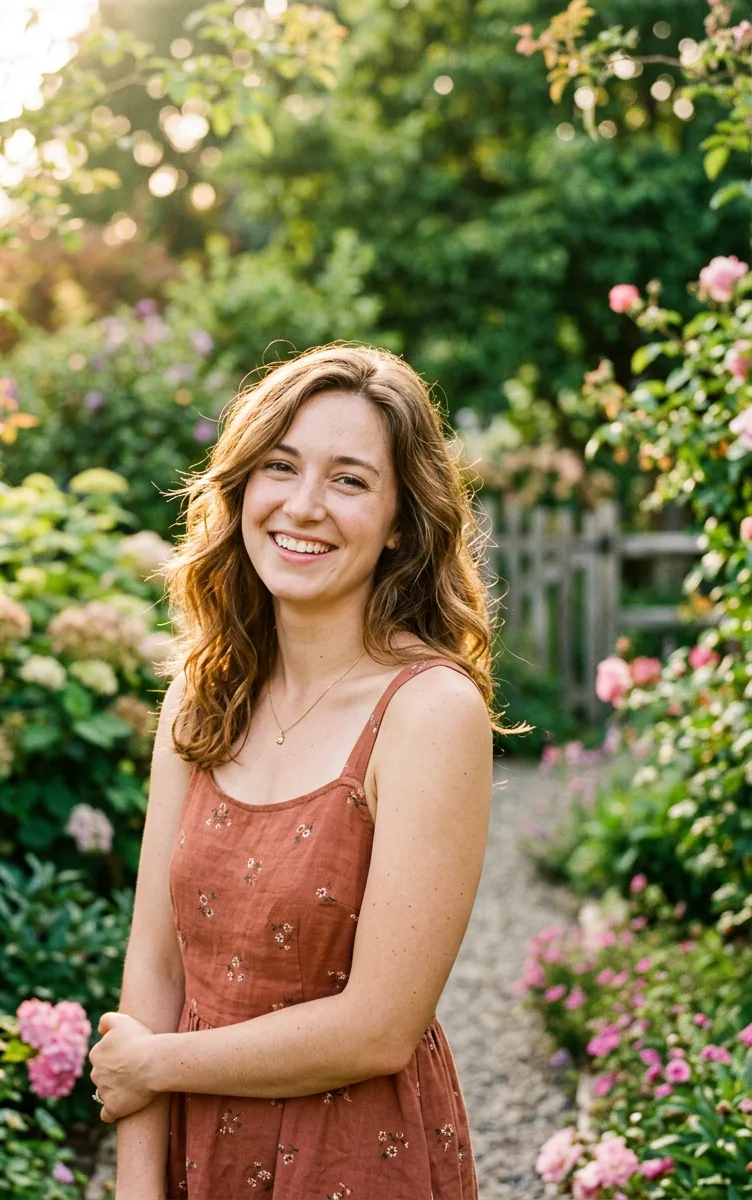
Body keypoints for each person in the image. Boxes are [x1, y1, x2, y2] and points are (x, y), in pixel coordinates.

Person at [90, 344, 498, 1200]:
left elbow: (379, 1027)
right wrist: (136, 1185)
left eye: (349, 480)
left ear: (400, 521)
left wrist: (155, 1064)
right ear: (243, 487)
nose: (303, 505)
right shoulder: (203, 694)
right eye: (280, 466)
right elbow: (154, 969)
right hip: (195, 1154)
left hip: (352, 1158)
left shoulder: (429, 712)